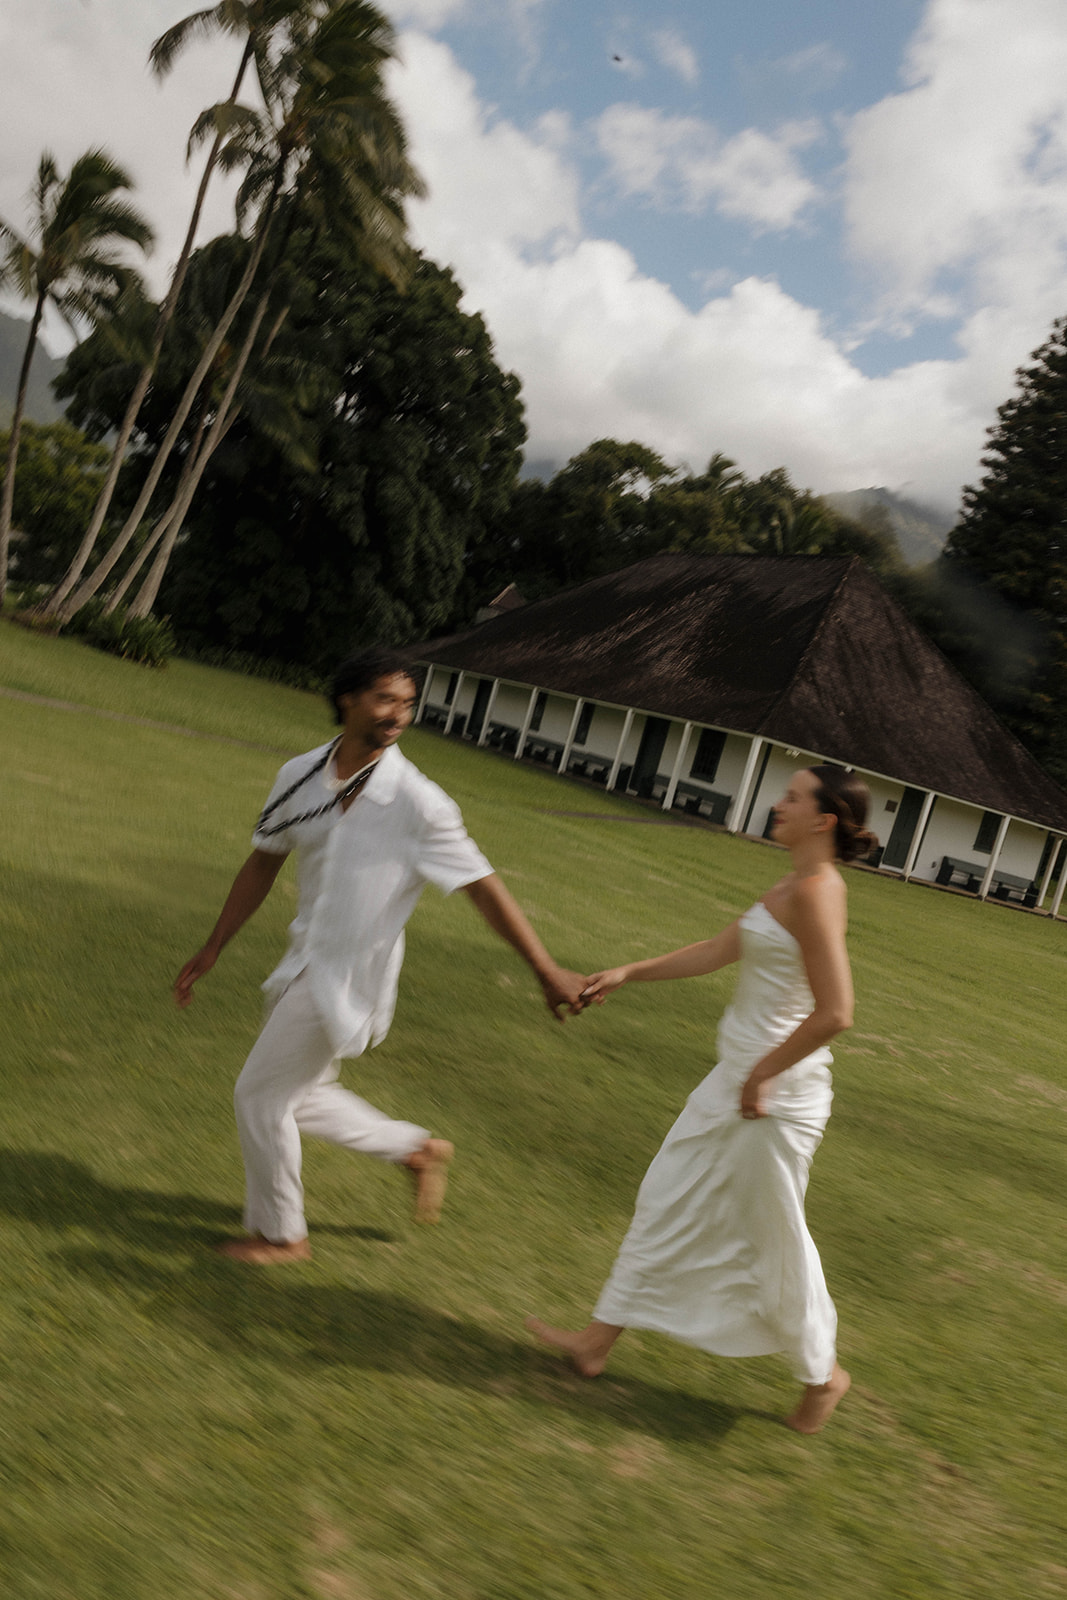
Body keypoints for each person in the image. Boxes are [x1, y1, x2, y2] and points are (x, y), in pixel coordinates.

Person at [174, 648, 587, 1264]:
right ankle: (414, 1149)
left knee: (258, 1097)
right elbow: (264, 860)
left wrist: (545, 969)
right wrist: (213, 946)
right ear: (349, 700)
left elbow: (484, 889)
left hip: (349, 978)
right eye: (385, 699)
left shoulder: (420, 804)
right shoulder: (298, 775)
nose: (398, 714)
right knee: (298, 1096)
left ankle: (283, 1236)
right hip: (302, 960)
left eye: (407, 703)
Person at [527, 766, 878, 1434]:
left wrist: (764, 1074)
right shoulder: (788, 883)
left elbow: (837, 1012)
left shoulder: (816, 892)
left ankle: (822, 1376)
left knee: (771, 1238)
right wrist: (630, 971)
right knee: (667, 1196)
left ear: (823, 820)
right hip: (738, 1082)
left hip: (773, 1098)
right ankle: (594, 1344)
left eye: (792, 797)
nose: (777, 804)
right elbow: (720, 949)